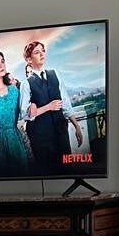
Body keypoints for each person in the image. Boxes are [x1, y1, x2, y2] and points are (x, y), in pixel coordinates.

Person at [24, 40, 84, 177]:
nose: (42, 54)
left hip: (60, 132)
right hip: (41, 137)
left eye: (43, 51)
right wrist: (48, 107)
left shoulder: (55, 74)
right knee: (48, 172)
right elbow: (25, 115)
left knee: (67, 169)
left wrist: (77, 126)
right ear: (29, 59)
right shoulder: (26, 84)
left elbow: (66, 103)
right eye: (37, 52)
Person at [0, 50, 33, 176]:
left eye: (2, 62)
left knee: (23, 178)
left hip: (16, 141)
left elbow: (26, 111)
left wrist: (33, 104)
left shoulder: (14, 91)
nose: (1, 65)